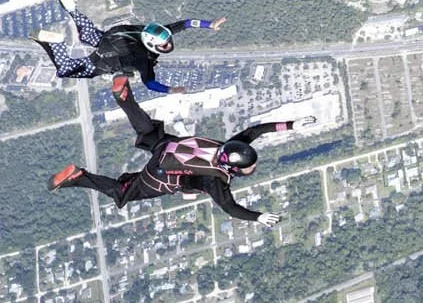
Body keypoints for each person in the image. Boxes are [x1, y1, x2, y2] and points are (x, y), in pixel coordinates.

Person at [50, 76, 293, 223]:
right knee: (123, 192)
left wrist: (291, 125)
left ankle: (124, 98)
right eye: (249, 168)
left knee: (147, 131)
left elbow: (256, 130)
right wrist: (258, 217)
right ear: (233, 168)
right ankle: (78, 177)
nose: (253, 167)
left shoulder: (227, 146)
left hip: (169, 147)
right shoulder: (215, 181)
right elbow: (231, 208)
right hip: (161, 175)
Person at [35, 12, 221, 93]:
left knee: (88, 35)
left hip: (109, 39)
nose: (168, 45)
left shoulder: (155, 31)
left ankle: (71, 8)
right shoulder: (143, 60)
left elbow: (187, 23)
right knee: (65, 70)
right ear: (152, 44)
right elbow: (150, 83)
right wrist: (170, 90)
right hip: (103, 61)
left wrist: (210, 24)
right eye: (164, 44)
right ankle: (57, 43)